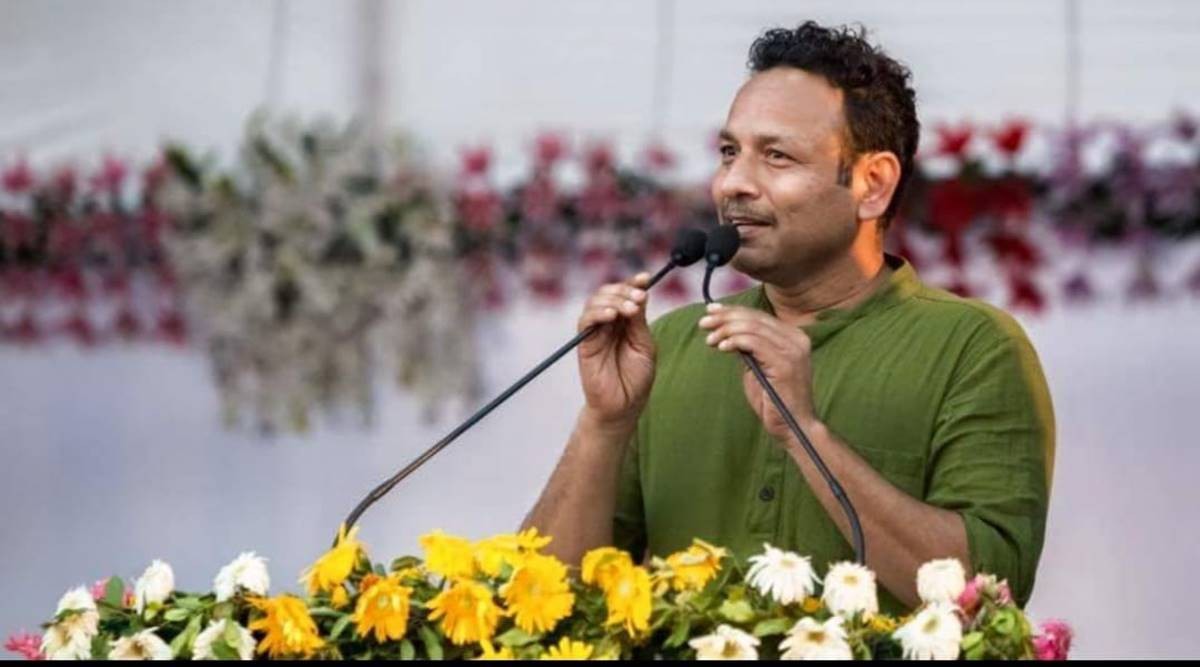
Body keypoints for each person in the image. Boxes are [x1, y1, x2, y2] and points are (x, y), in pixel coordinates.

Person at [522, 21, 1054, 613]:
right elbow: (538, 606)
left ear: (872, 184)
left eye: (776, 156)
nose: (734, 184)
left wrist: (807, 434)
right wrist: (603, 423)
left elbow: (988, 598)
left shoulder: (972, 347)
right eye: (729, 153)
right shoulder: (669, 345)